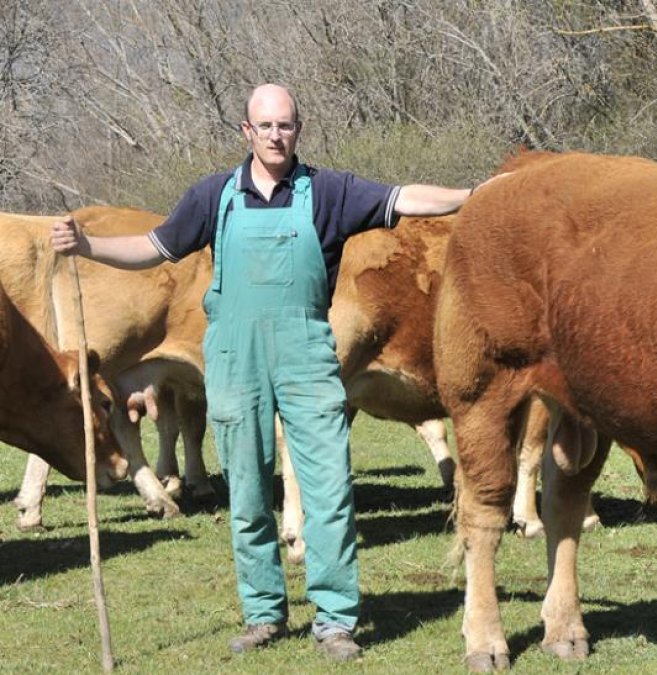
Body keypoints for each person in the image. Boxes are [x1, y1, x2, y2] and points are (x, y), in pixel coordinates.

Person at [50, 83, 490, 662]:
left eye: (285, 125)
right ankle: (263, 614)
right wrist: (87, 245)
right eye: (265, 126)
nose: (276, 135)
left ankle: (335, 620)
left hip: (308, 354)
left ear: (297, 130)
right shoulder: (213, 196)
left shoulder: (330, 191)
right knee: (250, 492)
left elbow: (406, 197)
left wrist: (475, 194)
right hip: (234, 358)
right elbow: (153, 248)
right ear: (247, 131)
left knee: (329, 489)